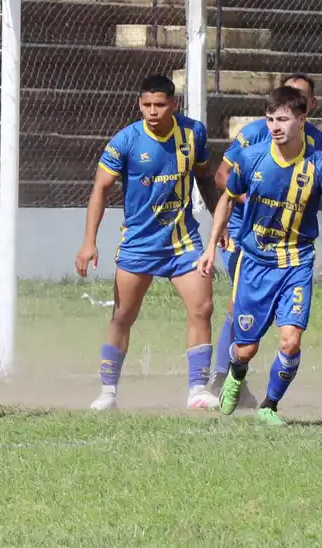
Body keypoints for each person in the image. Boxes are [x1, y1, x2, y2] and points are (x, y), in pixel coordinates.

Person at [75, 74, 221, 411]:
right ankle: (108, 392)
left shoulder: (193, 133)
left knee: (202, 308)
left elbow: (204, 179)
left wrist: (218, 222)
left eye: (159, 105)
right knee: (123, 316)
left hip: (183, 242)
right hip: (139, 244)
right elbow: (100, 189)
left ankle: (197, 389)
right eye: (146, 105)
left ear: (173, 104)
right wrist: (88, 242)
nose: (152, 112)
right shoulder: (125, 140)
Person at [198, 86, 322, 425]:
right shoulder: (252, 158)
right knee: (246, 348)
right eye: (270, 119)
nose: (275, 126)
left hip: (295, 262)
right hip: (254, 262)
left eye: (283, 119)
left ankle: (269, 406)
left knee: (290, 342)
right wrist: (211, 244)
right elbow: (227, 198)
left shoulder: (321, 165)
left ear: (302, 119)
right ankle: (235, 372)